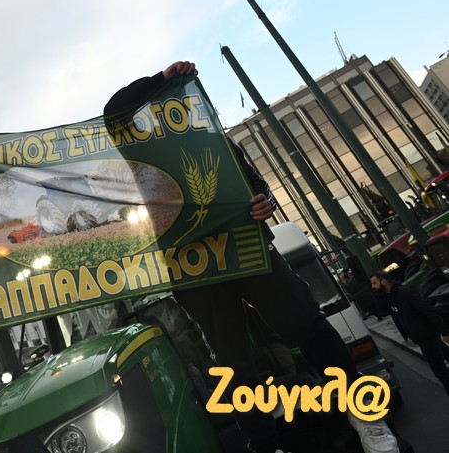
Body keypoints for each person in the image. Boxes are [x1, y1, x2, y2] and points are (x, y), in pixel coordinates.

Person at [104, 61, 399, 453]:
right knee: (233, 361)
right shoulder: (141, 153)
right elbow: (113, 110)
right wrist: (162, 79)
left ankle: (365, 417)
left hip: (245, 246)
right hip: (195, 265)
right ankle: (265, 445)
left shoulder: (216, 142)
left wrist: (265, 201)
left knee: (307, 322)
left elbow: (257, 184)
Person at [370, 270, 449, 396]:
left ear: (383, 281)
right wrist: (378, 296)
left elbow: (427, 311)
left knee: (439, 371)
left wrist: (444, 331)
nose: (373, 286)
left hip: (427, 335)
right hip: (420, 337)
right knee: (445, 357)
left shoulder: (405, 293)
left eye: (374, 283)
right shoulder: (389, 297)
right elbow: (383, 312)